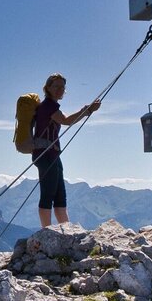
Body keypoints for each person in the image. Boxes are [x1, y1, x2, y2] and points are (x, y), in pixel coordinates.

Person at [31, 73, 101, 228]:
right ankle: (47, 232)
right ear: (48, 88)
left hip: (52, 155)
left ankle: (66, 231)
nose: (60, 90)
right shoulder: (48, 106)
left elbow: (65, 120)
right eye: (56, 86)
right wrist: (88, 110)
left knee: (59, 194)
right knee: (49, 193)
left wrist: (88, 110)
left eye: (62, 87)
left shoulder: (50, 106)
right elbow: (67, 121)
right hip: (46, 154)